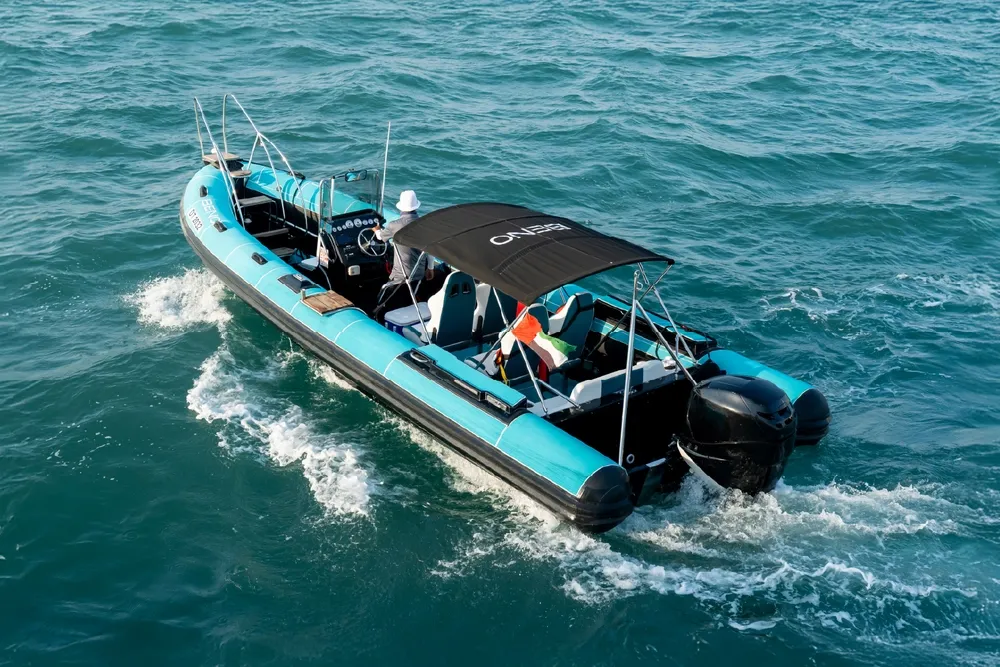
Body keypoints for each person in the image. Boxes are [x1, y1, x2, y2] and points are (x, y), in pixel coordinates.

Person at [371, 190, 444, 321]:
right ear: (416, 206)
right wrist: (431, 268)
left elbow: (381, 238)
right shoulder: (425, 225)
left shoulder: (395, 225)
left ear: (401, 207)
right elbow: (429, 249)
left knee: (381, 295)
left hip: (400, 276)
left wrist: (376, 230)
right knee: (411, 292)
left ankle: (378, 316)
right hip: (419, 274)